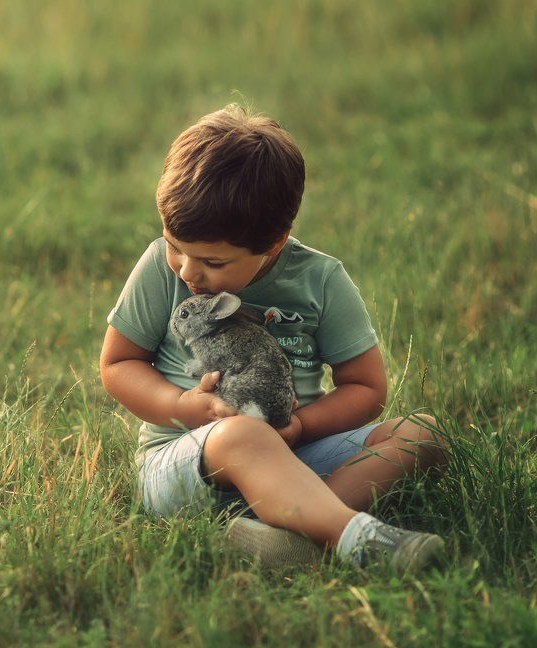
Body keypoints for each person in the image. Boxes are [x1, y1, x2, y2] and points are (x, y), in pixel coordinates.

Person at [100, 104, 449, 573]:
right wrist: (185, 407)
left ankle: (288, 535)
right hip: (189, 466)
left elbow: (366, 388)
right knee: (242, 434)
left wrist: (301, 428)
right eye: (174, 246)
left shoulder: (320, 279)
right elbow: (118, 364)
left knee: (422, 433)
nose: (187, 270)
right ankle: (355, 538)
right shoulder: (161, 271)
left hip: (297, 453)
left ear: (276, 242)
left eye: (213, 262)